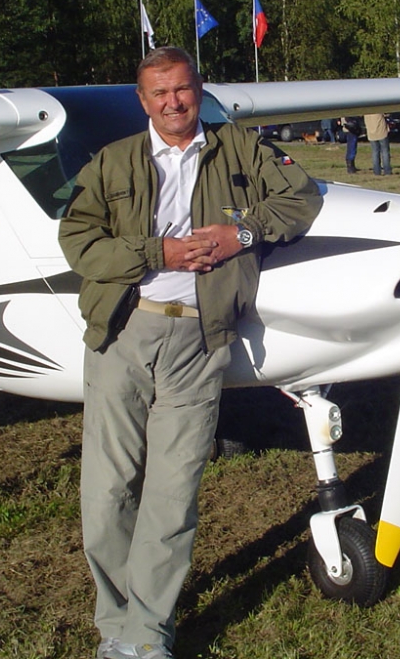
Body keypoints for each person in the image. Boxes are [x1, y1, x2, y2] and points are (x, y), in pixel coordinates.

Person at [58, 46, 322, 659]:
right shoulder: (113, 161)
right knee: (108, 490)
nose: (173, 102)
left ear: (198, 90)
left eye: (182, 89)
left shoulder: (239, 147)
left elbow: (301, 198)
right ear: (142, 100)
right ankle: (115, 621)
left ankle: (147, 633)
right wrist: (161, 253)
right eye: (160, 93)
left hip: (199, 341)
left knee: (173, 493)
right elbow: (79, 243)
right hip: (124, 333)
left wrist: (241, 233)